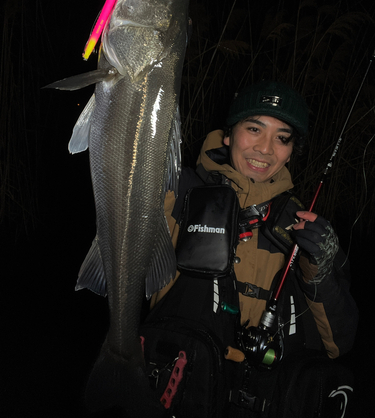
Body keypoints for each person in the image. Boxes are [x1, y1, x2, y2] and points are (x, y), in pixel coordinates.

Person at [142, 81, 358, 418]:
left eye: (282, 138)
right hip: (177, 395)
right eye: (254, 128)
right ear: (228, 134)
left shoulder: (303, 224)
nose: (266, 149)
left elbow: (339, 344)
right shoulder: (174, 192)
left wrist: (321, 270)